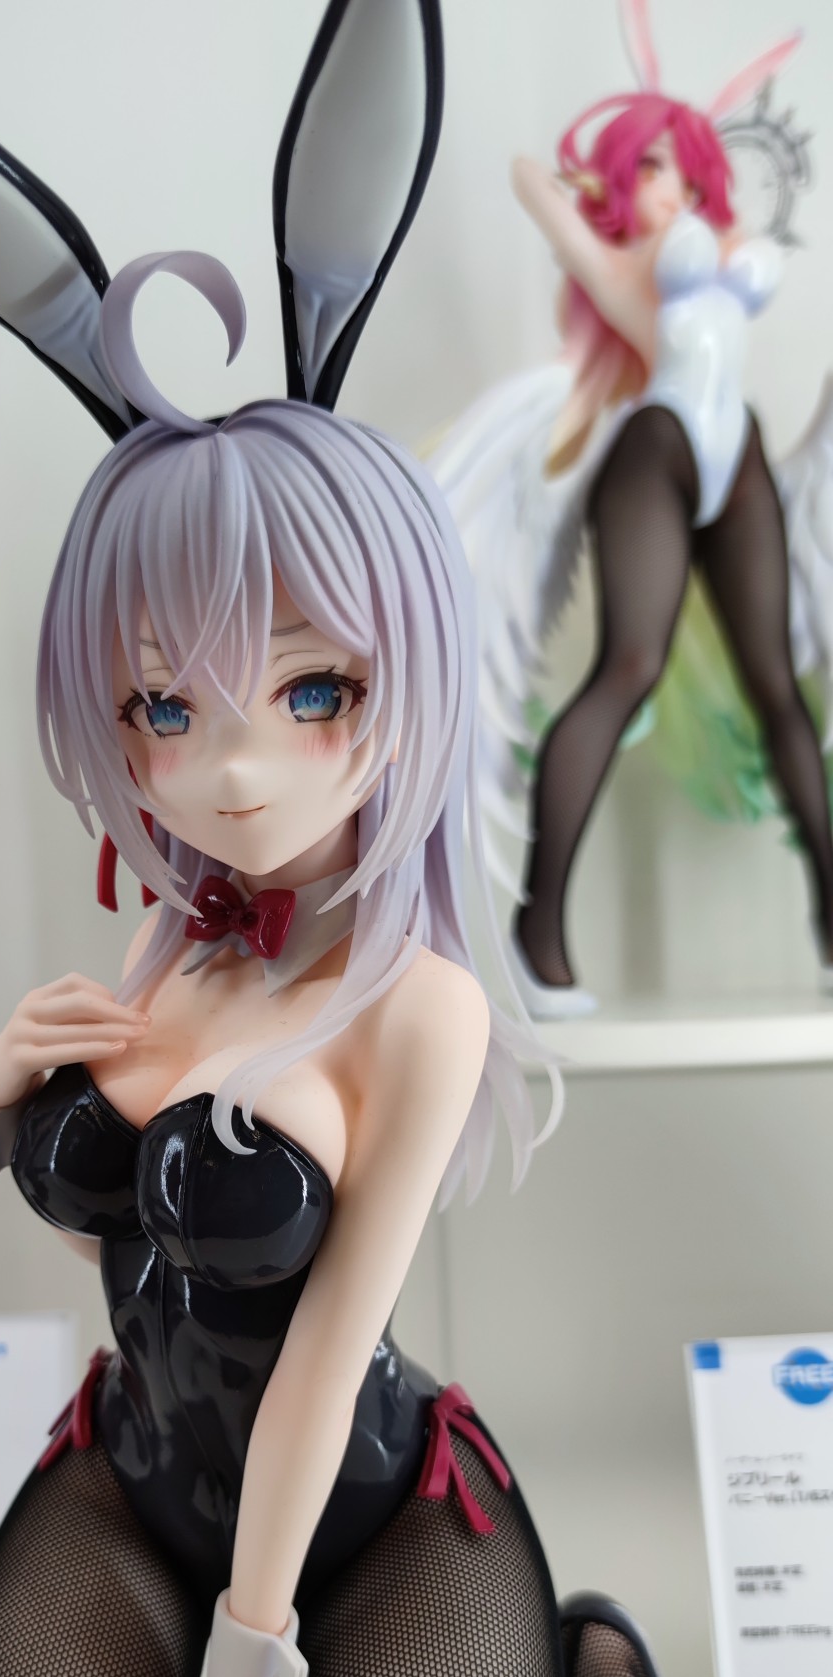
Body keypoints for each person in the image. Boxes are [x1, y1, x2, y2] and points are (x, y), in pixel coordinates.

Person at [0, 4, 710, 1677]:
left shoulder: (419, 1003)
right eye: (161, 705)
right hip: (125, 1477)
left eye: (310, 688)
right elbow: (102, 1215)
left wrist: (254, 1665)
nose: (229, 766)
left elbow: (318, 1360)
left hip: (377, 1522)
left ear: (403, 666)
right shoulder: (173, 930)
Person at [429, 2, 833, 1015]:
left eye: (687, 174)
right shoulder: (618, 268)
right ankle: (537, 935)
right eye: (653, 168)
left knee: (777, 689)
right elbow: (526, 176)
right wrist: (591, 178)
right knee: (629, 665)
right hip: (655, 451)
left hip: (737, 450)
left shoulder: (724, 254)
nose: (675, 190)